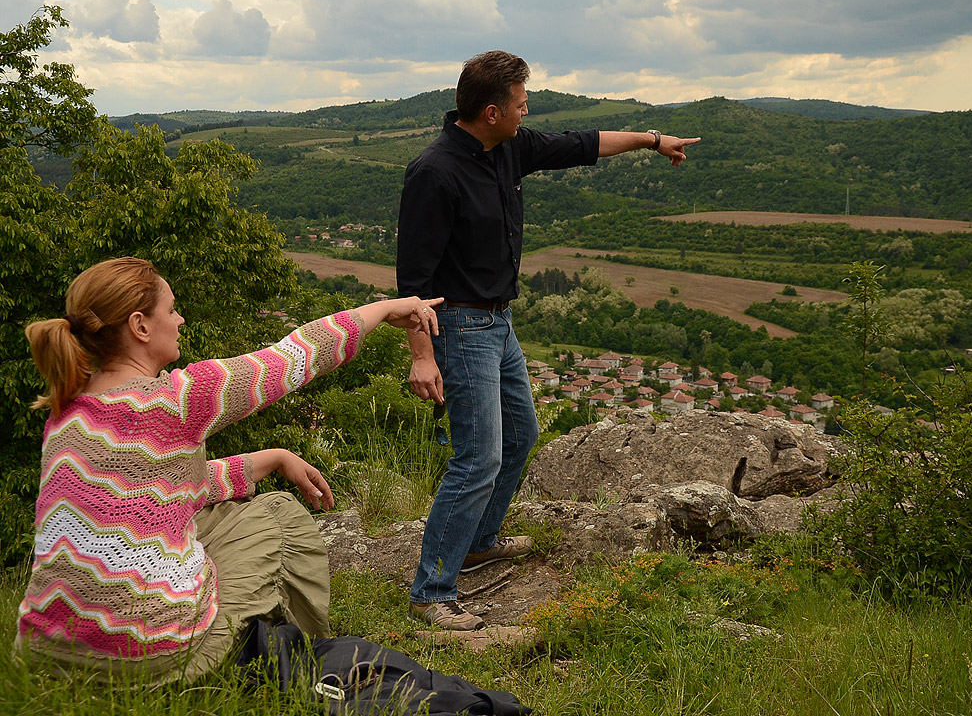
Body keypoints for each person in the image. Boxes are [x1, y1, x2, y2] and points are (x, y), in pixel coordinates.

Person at [16, 256, 442, 682]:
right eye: (171, 309)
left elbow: (167, 491)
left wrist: (274, 458)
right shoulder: (176, 398)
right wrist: (386, 308)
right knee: (276, 515)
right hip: (149, 656)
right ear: (140, 326)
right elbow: (294, 357)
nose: (180, 319)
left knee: (203, 523)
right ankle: (308, 657)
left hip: (47, 656)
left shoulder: (65, 415)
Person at [397, 50, 701, 630]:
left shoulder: (508, 147)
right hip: (459, 327)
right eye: (520, 103)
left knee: (522, 433)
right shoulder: (435, 172)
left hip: (498, 324)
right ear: (491, 111)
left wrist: (651, 139)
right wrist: (422, 356)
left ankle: (481, 541)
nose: (527, 110)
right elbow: (413, 281)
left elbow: (583, 144)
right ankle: (431, 591)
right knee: (476, 457)